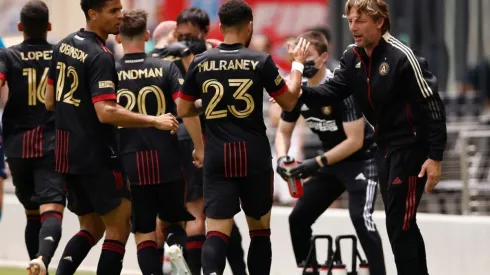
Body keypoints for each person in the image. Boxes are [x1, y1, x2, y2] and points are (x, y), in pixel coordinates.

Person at [288, 1, 447, 274]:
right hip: (384, 148)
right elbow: (329, 92)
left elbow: (433, 106)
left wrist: (435, 156)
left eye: (359, 21)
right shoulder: (352, 56)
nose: (353, 28)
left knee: (400, 223)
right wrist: (296, 81)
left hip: (410, 146)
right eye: (349, 21)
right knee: (398, 223)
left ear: (379, 22)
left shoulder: (402, 56)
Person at [44, 0, 179, 274]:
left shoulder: (63, 45)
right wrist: (154, 120)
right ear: (93, 14)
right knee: (118, 229)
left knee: (91, 227)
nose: (120, 15)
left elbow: (48, 101)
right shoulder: (101, 55)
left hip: (66, 153)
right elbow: (106, 112)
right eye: (113, 11)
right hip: (96, 156)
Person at [176, 0, 310, 274]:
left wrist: (200, 140)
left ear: (221, 26)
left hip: (217, 157)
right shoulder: (260, 60)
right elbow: (288, 101)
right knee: (259, 232)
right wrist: (297, 65)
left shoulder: (201, 61)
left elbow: (183, 109)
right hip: (254, 157)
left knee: (216, 232)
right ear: (249, 26)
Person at [275, 31, 385, 275]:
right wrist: (282, 158)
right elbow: (283, 133)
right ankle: (311, 269)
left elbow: (355, 141)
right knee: (298, 218)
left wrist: (315, 163)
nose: (304, 66)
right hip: (330, 163)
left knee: (360, 218)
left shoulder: (340, 88)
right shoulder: (298, 90)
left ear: (324, 57)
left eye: (308, 60)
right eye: (299, 61)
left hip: (362, 160)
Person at [153, 7, 248, 275]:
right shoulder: (171, 58)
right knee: (193, 213)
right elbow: (180, 104)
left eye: (191, 35)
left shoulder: (219, 52)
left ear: (206, 32)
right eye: (181, 35)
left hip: (221, 139)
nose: (186, 40)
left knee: (221, 214)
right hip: (187, 142)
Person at [114, 9, 202, 275]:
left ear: (118, 38)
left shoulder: (110, 72)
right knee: (174, 223)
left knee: (144, 231)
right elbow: (184, 109)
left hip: (131, 161)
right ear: (147, 35)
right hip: (167, 158)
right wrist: (199, 146)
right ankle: (175, 248)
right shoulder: (166, 67)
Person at [0, 1, 66, 274]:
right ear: (49, 26)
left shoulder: (8, 56)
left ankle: (36, 264)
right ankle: (42, 259)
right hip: (52, 143)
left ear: (20, 27)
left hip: (17, 146)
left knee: (31, 212)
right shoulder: (60, 55)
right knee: (52, 208)